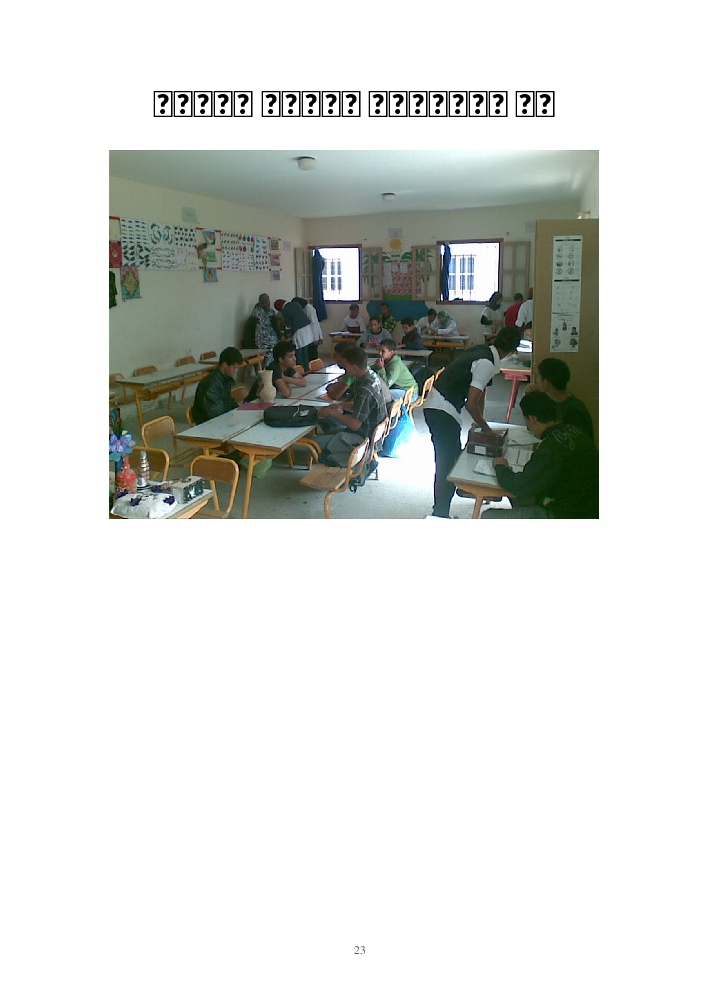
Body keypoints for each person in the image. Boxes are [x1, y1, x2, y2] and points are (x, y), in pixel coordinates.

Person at [423, 327, 522, 518]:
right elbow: (471, 404)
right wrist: (485, 428)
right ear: (512, 351)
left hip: (441, 405)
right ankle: (440, 513)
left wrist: (480, 423)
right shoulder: (487, 363)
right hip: (441, 410)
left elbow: (480, 391)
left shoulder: (483, 352)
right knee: (446, 464)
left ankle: (456, 494)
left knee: (453, 458)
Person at [483, 390, 598, 518]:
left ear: (532, 419)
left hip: (568, 513)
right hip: (589, 505)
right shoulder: (574, 431)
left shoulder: (551, 447)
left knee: (488, 516)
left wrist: (500, 466)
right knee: (522, 499)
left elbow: (519, 486)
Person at [316, 344, 388, 467]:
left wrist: (333, 413)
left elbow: (355, 425)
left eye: (346, 367)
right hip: (372, 433)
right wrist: (342, 405)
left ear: (354, 367)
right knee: (329, 430)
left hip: (363, 439)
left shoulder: (365, 389)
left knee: (314, 443)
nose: (345, 370)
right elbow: (362, 406)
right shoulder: (372, 378)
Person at [526, 357, 595, 442]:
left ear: (546, 382)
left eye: (538, 377)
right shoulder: (548, 401)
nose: (536, 381)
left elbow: (579, 443)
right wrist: (531, 397)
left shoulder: (574, 410)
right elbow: (532, 426)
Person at [192, 346, 244, 424]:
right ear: (224, 364)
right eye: (234, 367)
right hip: (208, 425)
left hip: (220, 420)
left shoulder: (225, 378)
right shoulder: (211, 384)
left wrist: (239, 412)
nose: (236, 371)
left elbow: (229, 403)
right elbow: (213, 413)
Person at [274, 297, 311, 369]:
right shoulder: (296, 304)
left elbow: (289, 326)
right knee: (305, 351)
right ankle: (307, 369)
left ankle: (300, 369)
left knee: (298, 352)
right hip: (307, 329)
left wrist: (285, 335)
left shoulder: (285, 310)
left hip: (299, 331)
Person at [251, 293, 280, 365]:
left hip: (259, 341)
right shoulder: (271, 312)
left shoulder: (255, 312)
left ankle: (263, 370)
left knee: (262, 359)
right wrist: (280, 336)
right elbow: (275, 326)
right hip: (270, 341)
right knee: (269, 359)